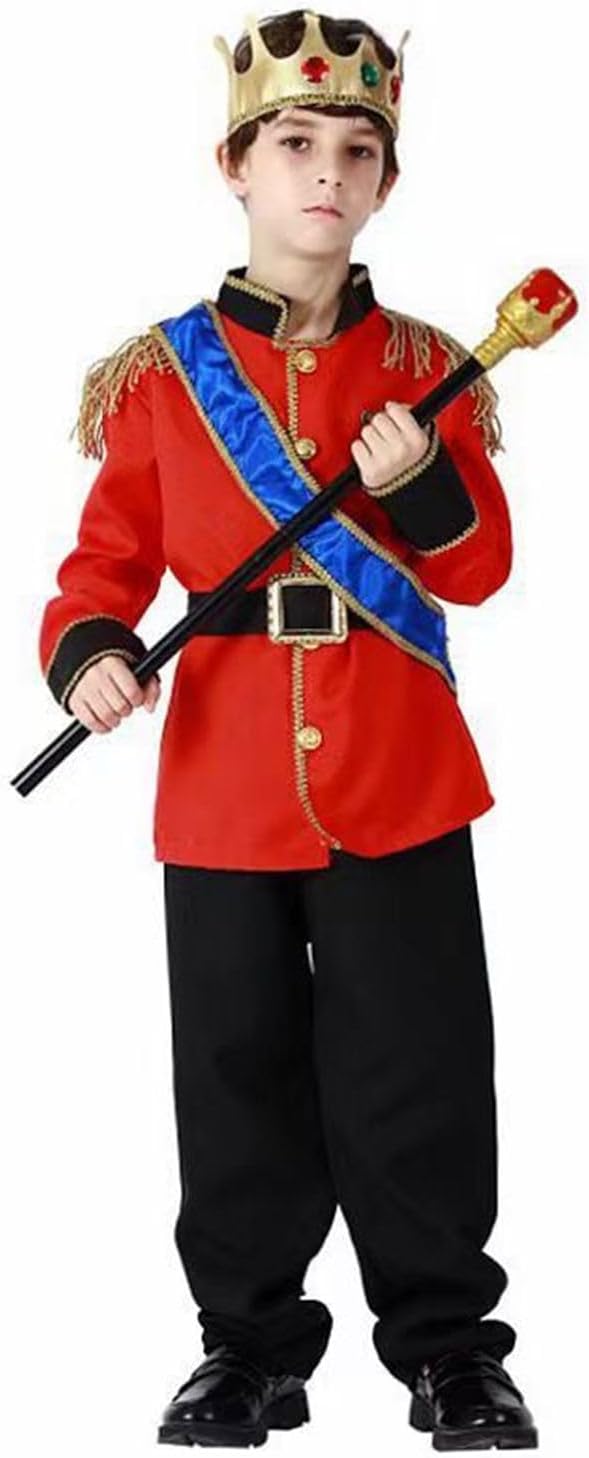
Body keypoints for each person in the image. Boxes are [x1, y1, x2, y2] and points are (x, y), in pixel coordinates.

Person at [37, 9, 538, 1450]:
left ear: (387, 180)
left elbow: (477, 571)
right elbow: (104, 568)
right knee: (235, 1072)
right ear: (235, 167)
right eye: (296, 143)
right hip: (225, 778)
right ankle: (248, 1349)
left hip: (399, 766)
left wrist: (424, 475)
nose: (326, 172)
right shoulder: (160, 376)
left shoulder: (433, 367)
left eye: (356, 150)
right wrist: (91, 654)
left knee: (418, 1069)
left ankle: (449, 1350)